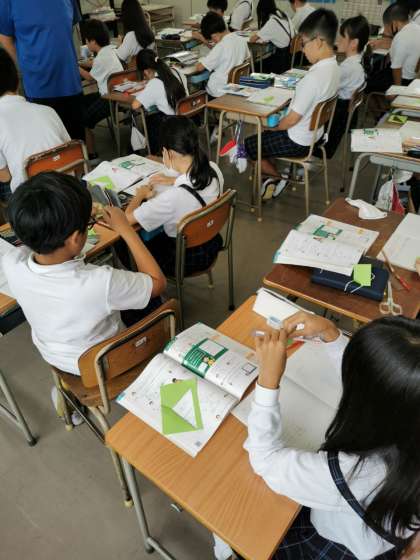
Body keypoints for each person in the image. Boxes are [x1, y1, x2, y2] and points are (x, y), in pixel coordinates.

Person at [243, 311, 419, 558]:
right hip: (379, 529)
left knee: (244, 528)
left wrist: (267, 381)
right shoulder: (408, 419)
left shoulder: (355, 473)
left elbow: (264, 458)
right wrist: (331, 335)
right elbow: (379, 382)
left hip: (336, 543)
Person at [2, 171, 166, 378]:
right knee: (157, 301)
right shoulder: (99, 282)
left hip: (58, 359)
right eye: (87, 225)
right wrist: (126, 229)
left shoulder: (11, 262)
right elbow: (158, 283)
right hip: (107, 364)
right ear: (75, 239)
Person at [244, 9, 339, 200]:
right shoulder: (335, 68)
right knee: (265, 137)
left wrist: (273, 127)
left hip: (297, 141)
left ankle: (277, 178)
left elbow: (291, 120)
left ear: (318, 41)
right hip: (316, 136)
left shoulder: (313, 78)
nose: (302, 49)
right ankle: (269, 177)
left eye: (303, 43)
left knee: (248, 146)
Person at [125, 116, 223, 277]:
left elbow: (127, 220)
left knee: (124, 242)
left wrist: (140, 195)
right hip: (210, 241)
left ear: (169, 153)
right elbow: (193, 188)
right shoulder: (213, 169)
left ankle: (149, 287)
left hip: (184, 258)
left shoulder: (172, 197)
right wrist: (174, 180)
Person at [0, 0, 84, 140]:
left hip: (71, 82)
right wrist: (25, 66)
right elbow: (4, 37)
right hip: (39, 86)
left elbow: (71, 27)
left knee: (77, 143)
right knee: (49, 145)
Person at [0, 50, 70, 201]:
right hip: (68, 188)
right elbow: (70, 150)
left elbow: (5, 177)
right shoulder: (48, 111)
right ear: (17, 81)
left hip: (32, 203)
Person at [317, 15, 369, 160]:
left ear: (354, 43)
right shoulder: (357, 62)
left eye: (342, 36)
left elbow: (323, 86)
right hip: (342, 117)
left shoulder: (349, 68)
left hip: (334, 120)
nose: (338, 40)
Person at [79, 19, 123, 160]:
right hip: (117, 94)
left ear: (93, 41)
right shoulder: (110, 50)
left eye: (87, 41)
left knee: (83, 119)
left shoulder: (101, 58)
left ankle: (92, 155)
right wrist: (86, 63)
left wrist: (75, 66)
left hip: (108, 99)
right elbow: (97, 64)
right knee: (82, 101)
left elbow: (90, 78)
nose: (86, 44)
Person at [132, 49, 186, 155]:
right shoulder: (175, 71)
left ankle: (154, 153)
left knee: (149, 119)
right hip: (186, 117)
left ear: (145, 71)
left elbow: (135, 105)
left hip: (172, 125)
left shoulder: (155, 83)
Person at [366, 2, 420, 93]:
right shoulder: (415, 27)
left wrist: (396, 90)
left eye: (386, 27)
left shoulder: (400, 38)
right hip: (413, 76)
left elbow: (396, 68)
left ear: (394, 24)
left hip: (402, 79)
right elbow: (406, 48)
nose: (385, 31)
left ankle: (378, 99)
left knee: (367, 84)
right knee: (379, 73)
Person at [196, 12, 250, 98]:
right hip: (236, 87)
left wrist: (201, 60)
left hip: (218, 90)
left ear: (214, 35)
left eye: (212, 39)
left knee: (197, 86)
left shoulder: (221, 46)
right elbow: (247, 58)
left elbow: (199, 68)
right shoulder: (241, 40)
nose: (213, 42)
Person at [249, 0, 295, 74]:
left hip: (281, 63)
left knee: (253, 67)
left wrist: (257, 34)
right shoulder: (283, 15)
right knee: (263, 60)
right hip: (289, 59)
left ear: (263, 11)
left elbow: (252, 39)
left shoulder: (272, 22)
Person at [116, 0, 155, 65]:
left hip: (134, 70)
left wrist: (119, 44)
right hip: (147, 68)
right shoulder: (149, 32)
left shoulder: (131, 36)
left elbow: (120, 58)